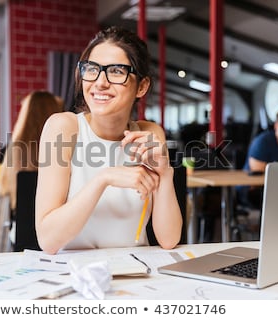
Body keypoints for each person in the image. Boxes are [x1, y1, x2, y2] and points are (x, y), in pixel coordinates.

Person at [35, 26, 183, 255]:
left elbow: (169, 240)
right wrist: (104, 178)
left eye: (116, 71)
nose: (100, 82)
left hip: (136, 272)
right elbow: (48, 240)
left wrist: (166, 174)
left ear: (141, 86)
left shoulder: (149, 133)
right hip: (75, 275)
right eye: (92, 69)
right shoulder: (63, 128)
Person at [0, 90, 63, 212]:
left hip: (22, 223)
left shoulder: (15, 148)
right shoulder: (65, 148)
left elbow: (5, 190)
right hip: (56, 221)